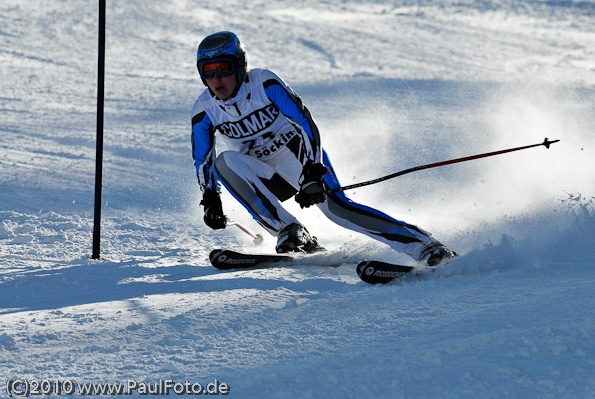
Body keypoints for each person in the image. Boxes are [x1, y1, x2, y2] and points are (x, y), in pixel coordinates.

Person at [190, 31, 455, 266]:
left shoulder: (264, 83)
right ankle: (290, 231)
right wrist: (210, 197)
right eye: (207, 71)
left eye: (223, 68)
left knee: (338, 210)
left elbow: (305, 122)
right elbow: (203, 160)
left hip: (300, 160)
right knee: (224, 162)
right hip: (264, 175)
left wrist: (314, 169)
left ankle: (425, 245)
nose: (216, 78)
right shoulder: (204, 110)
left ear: (239, 65)